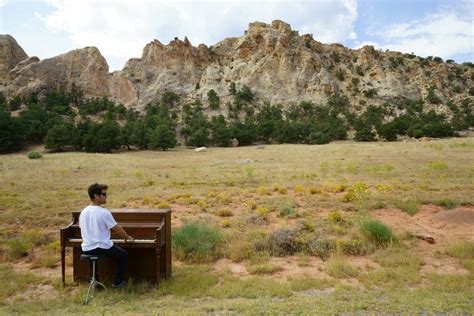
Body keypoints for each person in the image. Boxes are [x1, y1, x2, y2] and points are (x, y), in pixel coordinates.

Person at [79, 183, 134, 289]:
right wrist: (127, 237)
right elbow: (117, 228)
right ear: (95, 196)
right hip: (101, 247)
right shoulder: (103, 212)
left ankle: (94, 282)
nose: (106, 196)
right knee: (123, 256)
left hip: (86, 247)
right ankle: (118, 283)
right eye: (103, 194)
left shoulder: (83, 212)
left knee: (92, 254)